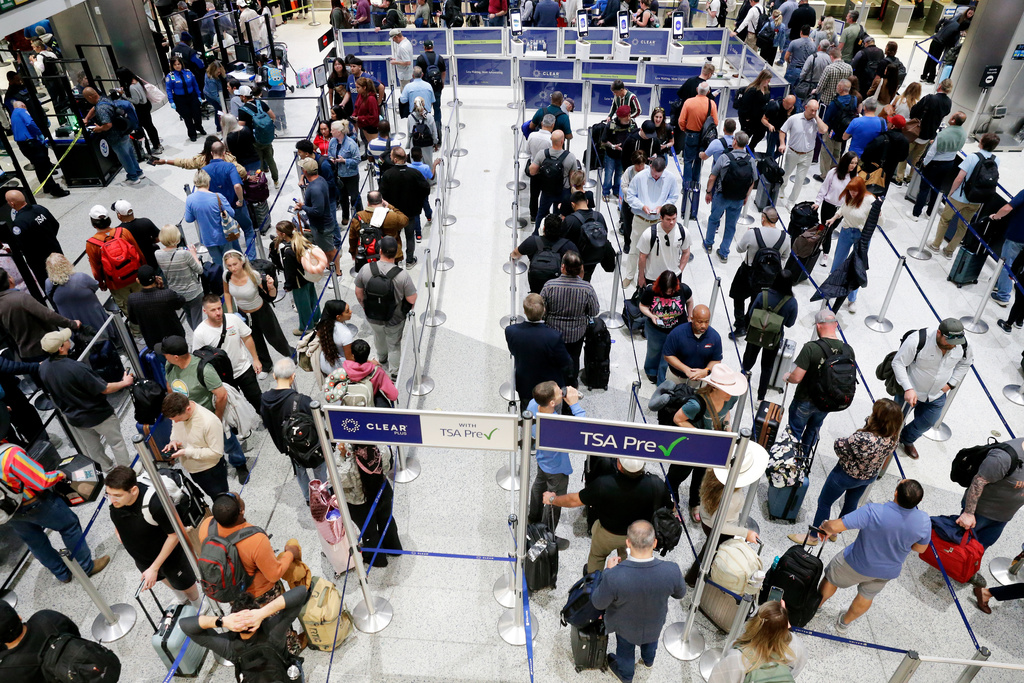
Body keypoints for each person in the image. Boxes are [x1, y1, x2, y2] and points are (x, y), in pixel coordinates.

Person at [817, 479, 930, 633]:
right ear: (920, 500)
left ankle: (815, 607)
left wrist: (824, 525)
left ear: (896, 493)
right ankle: (843, 624)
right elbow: (920, 549)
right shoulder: (924, 520)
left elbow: (835, 526)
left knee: (831, 579)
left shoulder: (873, 511)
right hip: (887, 572)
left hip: (855, 562)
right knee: (867, 595)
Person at [789, 399, 903, 546]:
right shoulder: (894, 437)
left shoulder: (864, 438)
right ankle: (835, 531)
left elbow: (839, 445)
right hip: (868, 476)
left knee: (824, 503)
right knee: (851, 503)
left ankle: (814, 536)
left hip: (845, 475)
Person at [590, 520, 686, 683]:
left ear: (628, 543)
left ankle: (626, 676)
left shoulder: (614, 576)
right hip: (655, 622)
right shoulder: (672, 570)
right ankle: (648, 662)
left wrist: (607, 571)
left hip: (625, 626)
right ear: (654, 543)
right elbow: (680, 594)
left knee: (625, 651)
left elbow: (598, 602)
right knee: (651, 643)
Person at [0, 441, 110, 583]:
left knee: (35, 542)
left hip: (9, 511)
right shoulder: (11, 454)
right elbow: (41, 481)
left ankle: (62, 574)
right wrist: (59, 474)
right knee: (69, 526)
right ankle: (86, 567)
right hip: (35, 502)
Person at [544, 459, 672, 574]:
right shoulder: (656, 484)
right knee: (626, 559)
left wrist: (552, 499)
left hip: (607, 533)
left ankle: (593, 581)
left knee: (597, 556)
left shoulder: (604, 484)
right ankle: (620, 577)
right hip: (636, 536)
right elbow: (669, 508)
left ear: (619, 466)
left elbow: (574, 500)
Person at [37, 328, 132, 471]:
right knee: (116, 443)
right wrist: (125, 382)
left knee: (93, 449)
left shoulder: (42, 368)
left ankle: (107, 469)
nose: (69, 340)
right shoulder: (76, 368)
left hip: (76, 419)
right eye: (65, 340)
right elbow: (105, 388)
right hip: (99, 414)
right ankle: (125, 470)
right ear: (61, 348)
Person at [104, 466, 202, 606]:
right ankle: (181, 598)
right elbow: (118, 520)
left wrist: (154, 567)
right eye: (108, 494)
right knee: (162, 578)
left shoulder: (155, 504)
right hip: (143, 558)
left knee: (185, 583)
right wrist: (120, 534)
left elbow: (174, 535)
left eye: (117, 495)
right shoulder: (114, 500)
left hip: (170, 557)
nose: (112, 499)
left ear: (133, 490)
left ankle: (198, 604)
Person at [159, 335, 249, 482]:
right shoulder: (170, 366)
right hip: (185, 415)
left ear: (176, 357)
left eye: (165, 354)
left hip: (208, 415)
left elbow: (221, 395)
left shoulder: (204, 370)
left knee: (228, 442)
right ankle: (218, 462)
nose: (163, 357)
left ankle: (239, 463)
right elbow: (170, 386)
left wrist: (217, 418)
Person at [673, 364, 749, 534]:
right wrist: (701, 436)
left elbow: (727, 413)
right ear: (714, 386)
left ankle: (695, 503)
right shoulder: (696, 403)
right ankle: (672, 503)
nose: (731, 392)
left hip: (709, 448)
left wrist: (727, 426)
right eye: (726, 388)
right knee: (677, 475)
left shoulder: (731, 398)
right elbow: (678, 419)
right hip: (690, 445)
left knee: (701, 476)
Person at [890, 318, 972, 460]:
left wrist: (950, 384)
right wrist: (908, 388)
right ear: (939, 333)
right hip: (910, 390)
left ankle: (907, 439)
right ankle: (888, 443)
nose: (952, 346)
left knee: (928, 421)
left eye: (955, 344)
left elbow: (965, 363)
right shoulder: (917, 340)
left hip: (937, 394)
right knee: (895, 421)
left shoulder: (963, 344)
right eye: (949, 342)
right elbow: (898, 363)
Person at [198, 492, 300, 603]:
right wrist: (290, 553)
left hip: (234, 594)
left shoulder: (206, 526)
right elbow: (274, 574)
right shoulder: (256, 540)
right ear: (241, 510)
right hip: (261, 595)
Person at [784, 309, 855, 454]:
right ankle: (804, 461)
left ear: (818, 326)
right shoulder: (848, 350)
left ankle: (791, 465)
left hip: (805, 400)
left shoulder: (811, 348)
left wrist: (787, 376)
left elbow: (796, 378)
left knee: (795, 432)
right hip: (828, 402)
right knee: (813, 430)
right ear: (835, 325)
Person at [260, 358, 329, 504]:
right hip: (310, 445)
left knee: (300, 471)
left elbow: (268, 423)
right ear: (293, 376)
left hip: (288, 445)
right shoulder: (302, 400)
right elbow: (317, 424)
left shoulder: (265, 399)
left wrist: (283, 447)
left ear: (274, 376)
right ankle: (324, 493)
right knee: (319, 468)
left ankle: (308, 498)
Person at [527, 381, 584, 547]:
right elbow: (583, 429)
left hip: (542, 459)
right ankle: (546, 536)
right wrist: (575, 404)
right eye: (560, 392)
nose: (563, 391)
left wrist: (560, 396)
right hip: (557, 469)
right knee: (554, 500)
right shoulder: (557, 425)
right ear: (551, 402)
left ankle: (532, 519)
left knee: (538, 486)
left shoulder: (533, 405)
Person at [929, 133, 1001, 259]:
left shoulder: (973, 157)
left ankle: (936, 245)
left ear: (982, 142)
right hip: (977, 199)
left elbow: (959, 178)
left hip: (959, 196)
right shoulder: (996, 160)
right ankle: (949, 251)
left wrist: (950, 192)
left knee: (945, 220)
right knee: (964, 225)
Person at [354, 237, 417, 380]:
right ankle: (394, 373)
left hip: (372, 315)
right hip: (394, 318)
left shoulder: (366, 269)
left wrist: (365, 307)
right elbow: (412, 299)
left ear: (380, 250)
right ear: (396, 253)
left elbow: (358, 293)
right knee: (394, 344)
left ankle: (382, 358)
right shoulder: (402, 275)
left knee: (378, 336)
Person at [222, 250, 293, 374]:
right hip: (243, 314)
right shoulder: (226, 276)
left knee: (275, 338)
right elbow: (227, 293)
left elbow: (269, 295)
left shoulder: (253, 275)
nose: (232, 268)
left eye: (235, 264)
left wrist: (271, 287)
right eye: (229, 265)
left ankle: (291, 354)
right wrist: (230, 313)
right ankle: (266, 365)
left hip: (261, 311)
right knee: (255, 341)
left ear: (242, 262)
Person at [192, 294, 264, 408]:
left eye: (219, 308)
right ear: (205, 311)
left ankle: (268, 421)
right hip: (223, 377)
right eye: (213, 310)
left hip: (243, 368)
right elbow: (199, 359)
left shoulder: (233, 319)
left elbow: (247, 337)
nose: (218, 312)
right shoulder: (200, 333)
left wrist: (255, 359)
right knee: (234, 408)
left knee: (257, 400)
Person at [708, 601, 807, 682]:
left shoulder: (738, 658)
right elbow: (794, 672)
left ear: (755, 623)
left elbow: (717, 679)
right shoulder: (797, 646)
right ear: (785, 626)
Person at [0, 602, 106, 678]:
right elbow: (75, 633)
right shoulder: (46, 617)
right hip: (86, 670)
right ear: (19, 617)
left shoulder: (6, 671)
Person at [730, 207, 791, 339]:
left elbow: (739, 249)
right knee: (757, 300)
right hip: (770, 276)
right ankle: (748, 322)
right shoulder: (785, 237)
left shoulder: (752, 233)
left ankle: (739, 325)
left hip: (748, 272)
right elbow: (785, 257)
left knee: (738, 297)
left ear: (763, 218)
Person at [540, 252, 600, 384]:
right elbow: (594, 311)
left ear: (563, 267)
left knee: (553, 358)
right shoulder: (587, 288)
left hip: (553, 333)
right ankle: (571, 383)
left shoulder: (549, 286)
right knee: (573, 358)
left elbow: (542, 312)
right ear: (581, 269)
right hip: (576, 334)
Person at [505, 294, 574, 407]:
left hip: (525, 385)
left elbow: (513, 351)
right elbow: (566, 362)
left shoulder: (511, 331)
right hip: (550, 390)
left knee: (527, 416)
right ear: (544, 310)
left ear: (524, 311)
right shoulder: (554, 337)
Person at [741, 271, 798, 402]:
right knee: (767, 367)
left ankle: (741, 382)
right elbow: (790, 324)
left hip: (756, 333)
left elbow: (750, 313)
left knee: (748, 360)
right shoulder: (791, 302)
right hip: (774, 338)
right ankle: (760, 398)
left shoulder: (763, 295)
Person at [624, 157, 681, 288]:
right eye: (654, 174)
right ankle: (629, 275)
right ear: (650, 166)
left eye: (658, 175)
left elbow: (673, 196)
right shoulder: (640, 177)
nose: (655, 177)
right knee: (634, 249)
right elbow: (630, 196)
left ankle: (648, 277)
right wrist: (642, 206)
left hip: (658, 222)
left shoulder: (670, 178)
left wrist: (662, 207)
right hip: (641, 219)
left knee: (655, 251)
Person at [0, 269, 80, 362]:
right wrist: (72, 324)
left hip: (27, 353)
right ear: (10, 280)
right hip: (46, 348)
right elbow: (48, 315)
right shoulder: (21, 298)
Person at [824, 176, 874, 312]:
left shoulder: (870, 200)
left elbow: (880, 221)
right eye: (850, 190)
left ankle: (852, 299)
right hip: (846, 231)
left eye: (854, 191)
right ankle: (830, 290)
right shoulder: (849, 196)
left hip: (861, 236)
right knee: (837, 263)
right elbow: (843, 208)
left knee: (856, 269)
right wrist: (834, 217)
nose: (852, 193)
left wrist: (879, 214)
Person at [704, 133, 756, 261]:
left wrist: (708, 192)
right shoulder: (751, 160)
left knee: (714, 219)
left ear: (734, 142)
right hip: (738, 198)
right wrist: (746, 197)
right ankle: (724, 253)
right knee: (731, 226)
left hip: (722, 196)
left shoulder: (725, 157)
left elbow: (712, 176)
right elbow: (753, 181)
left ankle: (709, 243)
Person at [906, 111, 966, 222]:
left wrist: (925, 162)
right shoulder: (963, 133)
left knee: (924, 188)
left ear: (953, 120)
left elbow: (931, 152)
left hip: (934, 163)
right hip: (949, 163)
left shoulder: (943, 134)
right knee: (937, 189)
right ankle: (929, 213)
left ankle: (915, 214)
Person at [85, 205, 143, 317]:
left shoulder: (91, 244)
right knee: (144, 302)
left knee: (130, 310)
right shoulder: (123, 232)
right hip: (136, 276)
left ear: (93, 223)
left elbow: (96, 268)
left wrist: (101, 283)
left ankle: (137, 332)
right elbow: (138, 253)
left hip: (116, 283)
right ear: (109, 219)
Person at [82, 87, 145, 185]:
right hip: (123, 132)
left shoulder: (101, 108)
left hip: (115, 137)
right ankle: (138, 172)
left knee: (124, 157)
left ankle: (133, 178)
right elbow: (94, 108)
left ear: (90, 97)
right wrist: (87, 118)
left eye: (86, 98)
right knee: (129, 153)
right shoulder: (104, 99)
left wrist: (99, 129)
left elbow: (107, 125)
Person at [3, 191, 64, 293]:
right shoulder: (39, 208)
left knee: (51, 290)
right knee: (66, 278)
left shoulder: (19, 223)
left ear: (12, 204)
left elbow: (20, 245)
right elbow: (55, 225)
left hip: (40, 263)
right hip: (56, 252)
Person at [639, 271, 693, 386]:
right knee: (653, 351)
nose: (669, 293)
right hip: (656, 329)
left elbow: (689, 301)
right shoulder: (651, 290)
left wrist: (689, 316)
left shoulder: (683, 289)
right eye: (666, 291)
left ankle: (662, 380)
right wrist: (651, 315)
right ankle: (651, 370)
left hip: (676, 329)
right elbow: (642, 306)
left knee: (669, 355)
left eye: (671, 291)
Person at [380, 147, 432, 265]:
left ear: (395, 159)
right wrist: (418, 201)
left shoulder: (388, 175)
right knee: (410, 236)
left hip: (393, 213)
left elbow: (381, 194)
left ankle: (396, 261)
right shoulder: (415, 173)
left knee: (394, 237)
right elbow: (426, 189)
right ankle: (409, 260)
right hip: (411, 212)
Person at [678, 81, 719, 220]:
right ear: (708, 92)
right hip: (704, 137)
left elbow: (681, 121)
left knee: (688, 161)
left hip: (690, 134)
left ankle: (686, 186)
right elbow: (716, 122)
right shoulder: (711, 104)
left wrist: (686, 130)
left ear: (697, 89)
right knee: (699, 161)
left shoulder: (689, 102)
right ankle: (695, 185)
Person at [9, 102, 68, 198]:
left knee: (38, 166)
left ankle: (47, 187)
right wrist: (39, 133)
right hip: (31, 142)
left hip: (23, 145)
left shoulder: (13, 114)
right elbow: (30, 122)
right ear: (24, 106)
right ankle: (54, 189)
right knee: (43, 165)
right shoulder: (22, 111)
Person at [154, 225, 205, 331]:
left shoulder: (157, 254)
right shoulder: (185, 254)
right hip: (193, 292)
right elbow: (199, 270)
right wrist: (194, 255)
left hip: (176, 293)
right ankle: (201, 341)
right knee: (198, 320)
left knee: (189, 315)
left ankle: (196, 336)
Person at [184, 169, 240, 266]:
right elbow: (232, 213)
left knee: (217, 263)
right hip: (224, 235)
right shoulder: (218, 197)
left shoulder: (190, 199)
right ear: (208, 182)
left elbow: (188, 219)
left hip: (207, 238)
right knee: (229, 262)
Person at [512, 215, 579, 293]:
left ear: (543, 228)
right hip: (557, 288)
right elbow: (579, 267)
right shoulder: (569, 246)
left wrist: (512, 256)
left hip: (536, 286)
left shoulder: (531, 241)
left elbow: (515, 254)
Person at [779, 100, 827, 206]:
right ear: (805, 108)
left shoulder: (816, 122)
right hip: (793, 152)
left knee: (800, 180)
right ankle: (782, 189)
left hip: (807, 155)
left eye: (816, 110)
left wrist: (817, 117)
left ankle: (791, 201)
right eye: (812, 110)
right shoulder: (794, 118)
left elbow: (824, 130)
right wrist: (782, 143)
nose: (813, 113)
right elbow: (783, 130)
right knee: (786, 174)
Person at [814, 151, 858, 267]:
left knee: (829, 229)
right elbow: (824, 188)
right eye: (851, 163)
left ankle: (819, 241)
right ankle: (826, 254)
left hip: (841, 209)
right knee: (827, 229)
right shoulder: (833, 172)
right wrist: (817, 202)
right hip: (828, 205)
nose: (853, 166)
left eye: (855, 163)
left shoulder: (855, 177)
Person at [662, 303, 721, 388]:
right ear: (692, 319)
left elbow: (716, 360)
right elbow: (668, 355)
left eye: (706, 321)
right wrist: (686, 370)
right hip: (676, 378)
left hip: (699, 381)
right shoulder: (677, 333)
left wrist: (705, 371)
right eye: (700, 322)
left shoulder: (714, 337)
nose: (703, 326)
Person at [529, 130, 578, 234]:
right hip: (563, 191)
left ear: (551, 140)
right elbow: (572, 178)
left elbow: (532, 171)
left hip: (547, 190)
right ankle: (556, 235)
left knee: (541, 213)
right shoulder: (570, 157)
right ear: (562, 141)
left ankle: (537, 234)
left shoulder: (542, 154)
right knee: (559, 215)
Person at [44, 254, 106, 333]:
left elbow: (50, 296)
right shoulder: (81, 277)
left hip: (75, 326)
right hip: (95, 319)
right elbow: (95, 286)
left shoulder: (49, 283)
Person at [127, 265, 186, 348]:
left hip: (153, 341)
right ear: (156, 278)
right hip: (175, 336)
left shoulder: (133, 299)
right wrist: (162, 289)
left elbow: (134, 320)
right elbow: (181, 302)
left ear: (138, 280)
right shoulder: (167, 294)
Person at [907, 78, 953, 179]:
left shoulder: (929, 98)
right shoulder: (948, 102)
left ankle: (899, 177)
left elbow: (914, 111)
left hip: (916, 131)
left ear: (940, 86)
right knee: (917, 157)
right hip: (929, 134)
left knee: (905, 153)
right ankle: (910, 177)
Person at [637, 203, 692, 287]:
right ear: (661, 218)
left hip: (673, 277)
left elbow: (686, 252)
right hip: (652, 277)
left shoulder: (683, 232)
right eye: (668, 219)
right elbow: (642, 256)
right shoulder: (649, 234)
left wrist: (679, 271)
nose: (672, 222)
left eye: (674, 219)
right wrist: (641, 276)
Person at [237, 85, 280, 186]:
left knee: (258, 162)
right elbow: (273, 116)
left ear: (243, 96)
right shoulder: (261, 103)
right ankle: (276, 181)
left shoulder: (243, 110)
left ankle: (261, 183)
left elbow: (240, 127)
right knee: (270, 160)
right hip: (267, 138)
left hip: (254, 140)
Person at [348, 191, 408, 263]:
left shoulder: (359, 217)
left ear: (368, 202)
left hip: (368, 256)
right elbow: (405, 220)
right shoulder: (392, 216)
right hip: (391, 256)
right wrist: (390, 206)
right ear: (382, 201)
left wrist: (353, 252)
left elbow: (352, 238)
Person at [991, 189, 1024, 311]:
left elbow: (1007, 208)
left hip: (1016, 236)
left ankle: (1003, 295)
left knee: (1006, 265)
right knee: (1016, 266)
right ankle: (998, 283)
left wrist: (996, 216)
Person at [344, 339, 399, 407]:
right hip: (371, 396)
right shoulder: (377, 371)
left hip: (350, 398)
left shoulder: (345, 368)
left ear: (352, 355)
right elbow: (393, 395)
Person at [164, 57, 206, 142]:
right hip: (180, 99)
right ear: (172, 66)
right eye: (175, 65)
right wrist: (171, 101)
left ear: (181, 64)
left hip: (192, 96)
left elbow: (195, 85)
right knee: (187, 117)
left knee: (197, 114)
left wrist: (199, 95)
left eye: (178, 64)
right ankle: (192, 133)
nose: (177, 66)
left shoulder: (188, 72)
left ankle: (199, 127)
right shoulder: (170, 76)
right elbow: (169, 90)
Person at [329, 119, 363, 225]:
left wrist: (344, 161)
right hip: (339, 174)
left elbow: (357, 159)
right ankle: (345, 216)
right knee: (343, 197)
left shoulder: (351, 144)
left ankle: (361, 215)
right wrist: (331, 159)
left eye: (332, 130)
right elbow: (330, 152)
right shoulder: (333, 141)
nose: (331, 132)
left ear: (338, 131)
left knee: (354, 196)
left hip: (351, 175)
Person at [922, 10, 968, 84]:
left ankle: (923, 76)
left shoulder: (953, 22)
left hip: (935, 40)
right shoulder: (957, 31)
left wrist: (937, 30)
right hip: (940, 44)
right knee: (934, 62)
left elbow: (943, 20)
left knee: (929, 59)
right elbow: (952, 43)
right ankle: (930, 79)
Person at [602, 106, 637, 201]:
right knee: (608, 174)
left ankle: (617, 191)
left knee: (619, 175)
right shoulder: (611, 125)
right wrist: (613, 146)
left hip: (624, 156)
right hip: (611, 155)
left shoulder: (633, 125)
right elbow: (603, 141)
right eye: (627, 116)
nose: (629, 117)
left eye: (630, 115)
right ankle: (605, 192)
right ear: (620, 117)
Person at [113, 200, 160, 269]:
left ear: (119, 215)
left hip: (135, 268)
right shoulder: (146, 222)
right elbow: (159, 238)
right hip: (153, 262)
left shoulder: (117, 232)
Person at [415, 39, 447, 141]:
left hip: (425, 88)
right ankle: (438, 127)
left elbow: (418, 73)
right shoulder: (440, 58)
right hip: (437, 86)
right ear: (432, 46)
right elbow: (443, 72)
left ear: (424, 48)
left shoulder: (420, 59)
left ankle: (427, 127)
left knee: (426, 108)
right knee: (437, 107)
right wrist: (442, 83)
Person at [315, 299, 355, 375]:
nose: (351, 311)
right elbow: (349, 359)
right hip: (339, 369)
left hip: (324, 363)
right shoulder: (345, 333)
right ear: (338, 317)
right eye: (347, 311)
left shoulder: (323, 323)